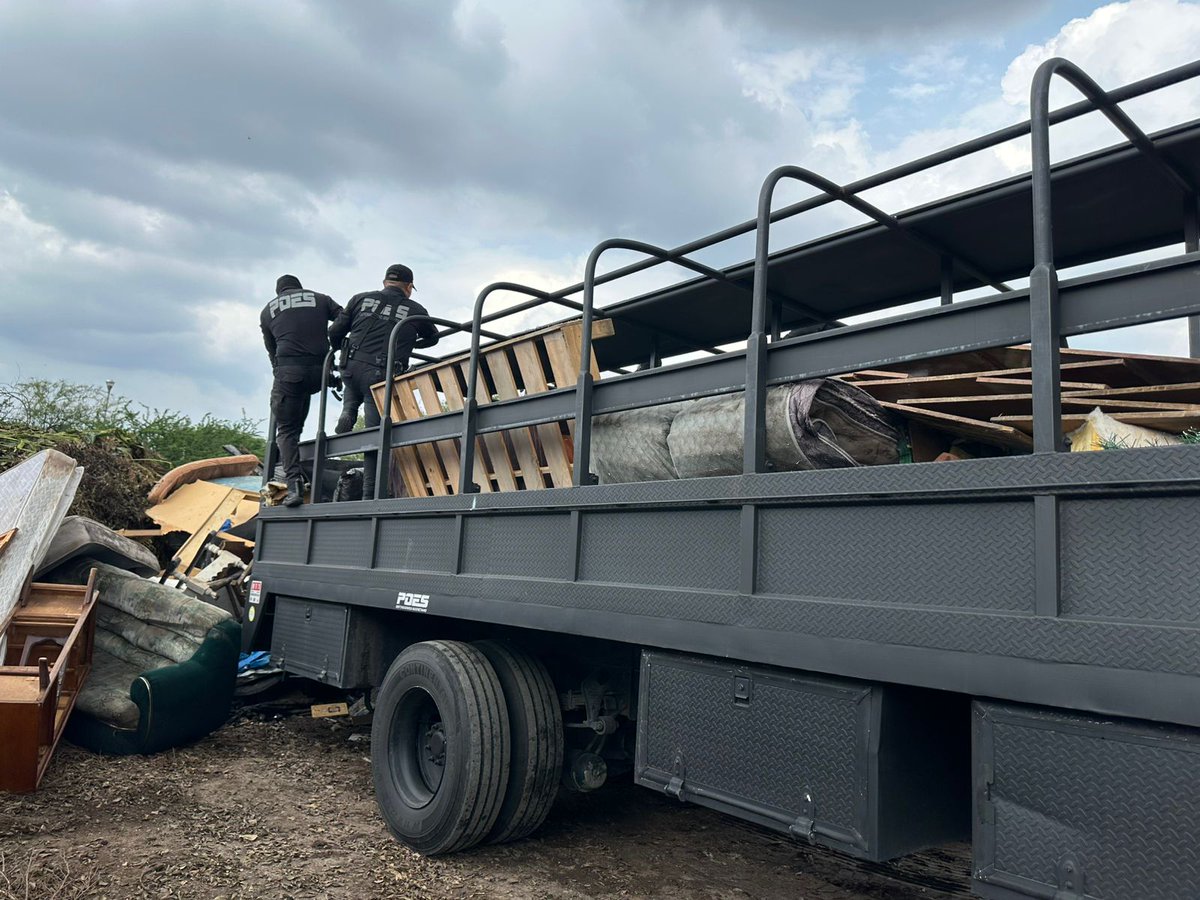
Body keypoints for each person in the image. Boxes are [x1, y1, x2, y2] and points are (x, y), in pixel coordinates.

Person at [329, 263, 439, 500]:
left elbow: (335, 331)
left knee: (352, 386)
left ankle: (348, 409)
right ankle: (370, 496)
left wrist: (341, 350)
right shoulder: (415, 309)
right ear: (409, 287)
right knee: (374, 439)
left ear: (384, 282)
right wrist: (410, 344)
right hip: (379, 376)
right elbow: (433, 338)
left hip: (350, 366)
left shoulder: (360, 299)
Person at [260, 274, 342, 507]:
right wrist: (333, 348)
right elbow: (345, 320)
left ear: (279, 292)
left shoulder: (268, 311)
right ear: (299, 287)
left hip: (290, 375)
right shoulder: (321, 299)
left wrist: (281, 371)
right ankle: (348, 411)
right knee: (301, 404)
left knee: (286, 430)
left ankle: (294, 486)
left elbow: (271, 351)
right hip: (322, 371)